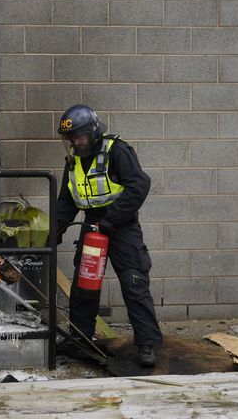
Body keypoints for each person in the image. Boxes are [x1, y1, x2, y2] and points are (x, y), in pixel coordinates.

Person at [54, 104, 162, 367]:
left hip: (122, 225)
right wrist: (52, 233)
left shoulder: (117, 150)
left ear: (92, 131)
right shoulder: (74, 161)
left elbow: (139, 185)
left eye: (80, 136)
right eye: (72, 138)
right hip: (92, 226)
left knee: (134, 282)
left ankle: (147, 344)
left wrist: (110, 221)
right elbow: (67, 203)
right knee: (84, 285)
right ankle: (80, 337)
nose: (76, 142)